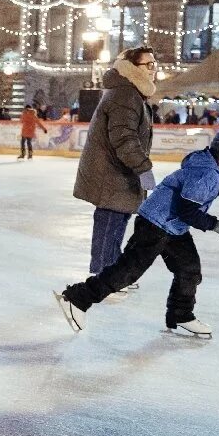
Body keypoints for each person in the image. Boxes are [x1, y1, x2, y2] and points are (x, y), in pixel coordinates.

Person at [57, 126, 219, 339]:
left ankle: (181, 314)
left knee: (189, 269)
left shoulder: (213, 167)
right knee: (127, 271)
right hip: (155, 223)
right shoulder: (205, 173)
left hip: (173, 226)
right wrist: (218, 227)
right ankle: (76, 299)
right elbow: (187, 211)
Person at [73, 47, 157, 286]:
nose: (153, 70)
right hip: (112, 172)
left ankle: (112, 272)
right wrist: (143, 167)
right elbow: (124, 138)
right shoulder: (125, 95)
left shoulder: (130, 93)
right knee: (110, 220)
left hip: (120, 171)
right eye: (148, 65)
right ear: (132, 68)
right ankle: (103, 276)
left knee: (117, 220)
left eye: (154, 65)